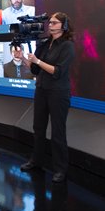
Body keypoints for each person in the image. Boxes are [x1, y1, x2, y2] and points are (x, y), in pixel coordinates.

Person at [20, 12, 75, 184]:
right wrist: (23, 58)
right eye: (49, 22)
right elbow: (36, 70)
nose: (50, 25)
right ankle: (36, 161)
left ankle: (60, 169)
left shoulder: (67, 46)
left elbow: (58, 72)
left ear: (63, 25)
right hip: (42, 90)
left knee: (58, 132)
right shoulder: (45, 44)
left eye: (54, 22)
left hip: (58, 92)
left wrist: (37, 61)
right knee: (38, 128)